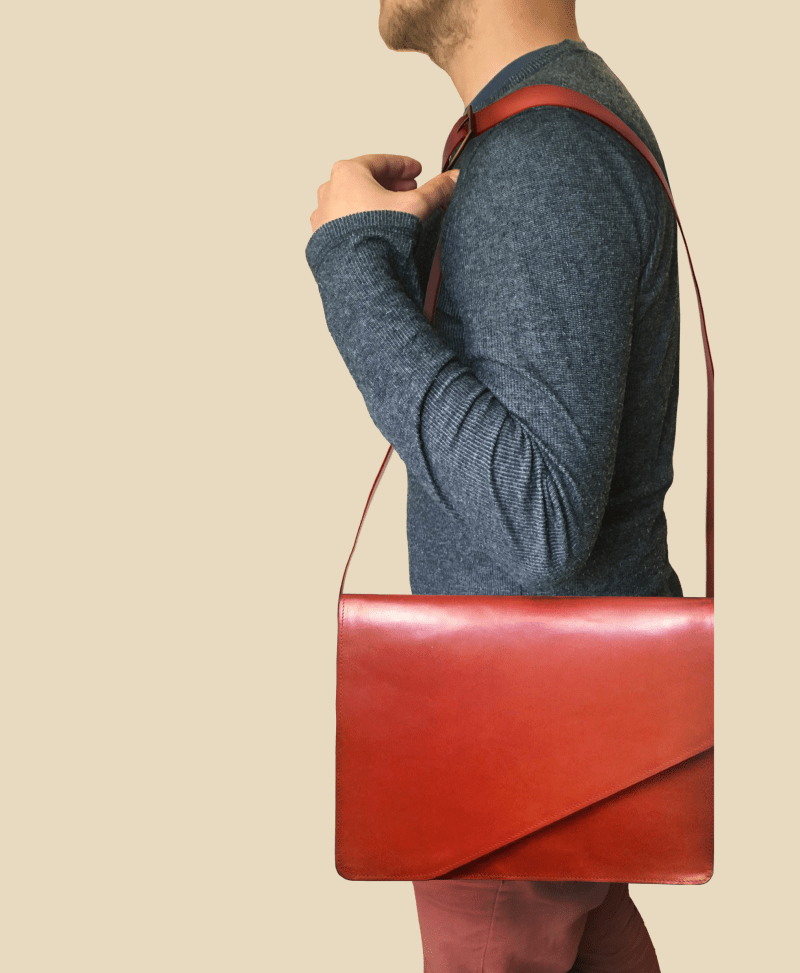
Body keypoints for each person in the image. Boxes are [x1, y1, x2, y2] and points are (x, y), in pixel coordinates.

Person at [305, 1, 679, 970]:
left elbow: (538, 522)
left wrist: (352, 266)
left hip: (508, 777)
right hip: (555, 759)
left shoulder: (544, 156)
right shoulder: (544, 134)